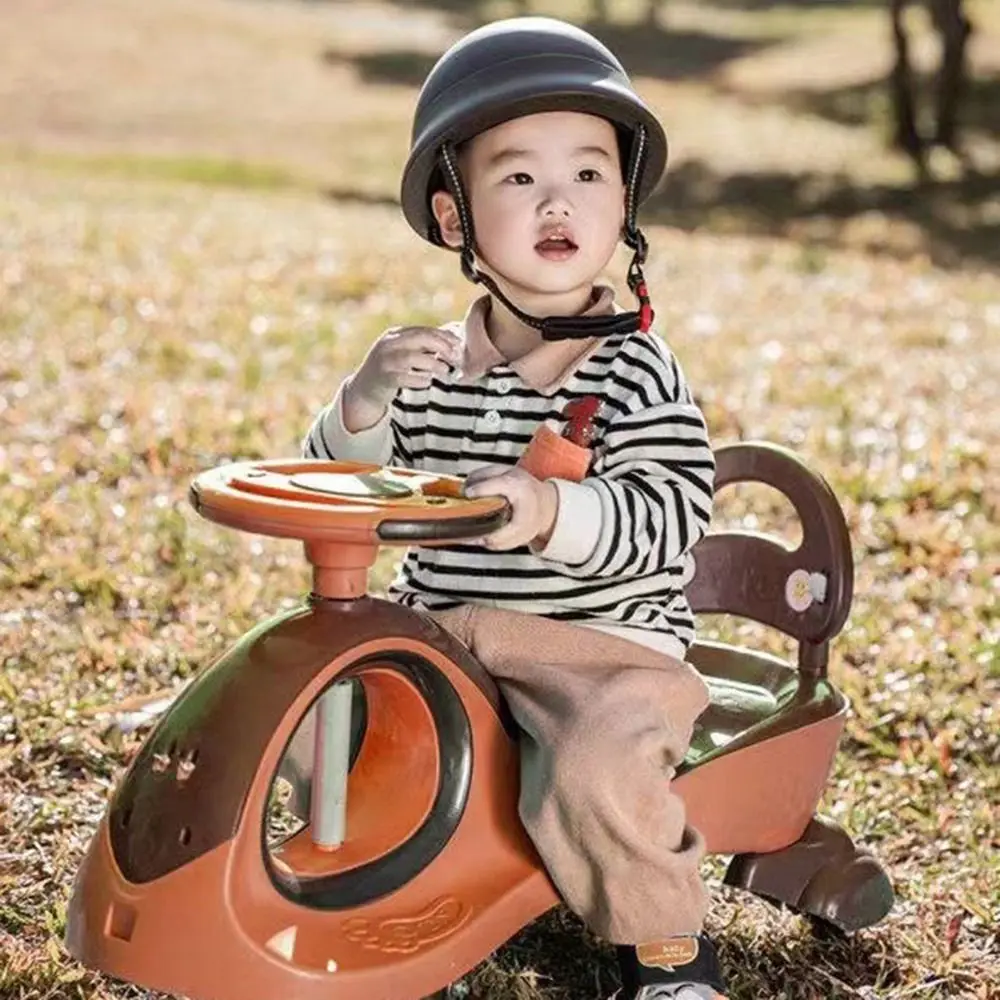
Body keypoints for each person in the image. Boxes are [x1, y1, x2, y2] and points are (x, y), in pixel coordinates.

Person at [302, 17, 726, 1000]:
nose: (557, 200)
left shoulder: (633, 369)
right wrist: (363, 401)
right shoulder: (431, 368)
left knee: (594, 764)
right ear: (454, 219)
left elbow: (673, 512)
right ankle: (385, 903)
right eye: (519, 175)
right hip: (448, 633)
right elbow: (341, 489)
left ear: (624, 204)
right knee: (332, 711)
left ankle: (667, 952)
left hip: (600, 647)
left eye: (588, 173)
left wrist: (553, 512)